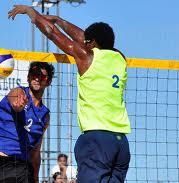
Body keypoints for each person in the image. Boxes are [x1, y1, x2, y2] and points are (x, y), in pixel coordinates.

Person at [8, 6, 131, 183]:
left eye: (87, 42)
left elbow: (52, 34)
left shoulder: (87, 57)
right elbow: (87, 38)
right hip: (121, 143)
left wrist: (31, 13)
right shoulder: (120, 58)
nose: (84, 43)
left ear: (93, 43)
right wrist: (60, 20)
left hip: (97, 140)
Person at [0, 62, 55, 183]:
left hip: (22, 167)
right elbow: (16, 101)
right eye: (34, 74)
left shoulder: (45, 116)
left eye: (42, 76)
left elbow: (35, 152)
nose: (37, 78)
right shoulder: (18, 92)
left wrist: (35, 179)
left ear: (49, 81)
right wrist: (18, 104)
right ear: (28, 77)